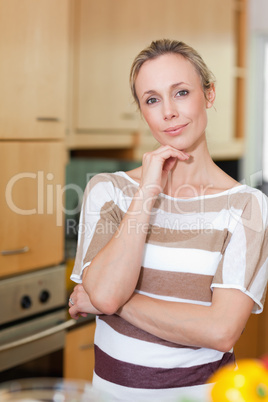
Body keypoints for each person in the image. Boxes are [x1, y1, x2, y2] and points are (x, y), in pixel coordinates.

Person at [69, 39, 268, 402]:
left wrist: (108, 300)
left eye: (181, 92)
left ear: (209, 94)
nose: (169, 112)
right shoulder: (108, 191)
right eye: (152, 99)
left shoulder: (247, 207)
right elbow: (107, 293)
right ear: (142, 111)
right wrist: (146, 191)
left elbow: (221, 331)